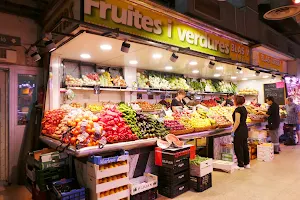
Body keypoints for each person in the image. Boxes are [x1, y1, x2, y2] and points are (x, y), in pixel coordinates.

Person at [232, 95, 250, 170]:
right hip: (244, 129)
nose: (233, 101)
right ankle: (247, 163)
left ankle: (240, 165)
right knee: (245, 146)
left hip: (239, 130)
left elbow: (237, 121)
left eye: (234, 100)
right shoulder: (244, 108)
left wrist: (233, 130)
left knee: (238, 147)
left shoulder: (238, 110)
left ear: (236, 101)